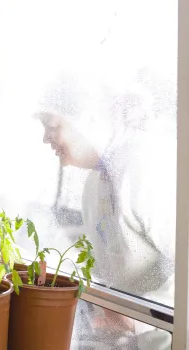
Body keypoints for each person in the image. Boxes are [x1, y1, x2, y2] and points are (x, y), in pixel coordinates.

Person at [37, 73, 175, 349]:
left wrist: (139, 318)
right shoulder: (96, 182)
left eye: (53, 126)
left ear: (88, 120)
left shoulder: (145, 168)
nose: (45, 138)